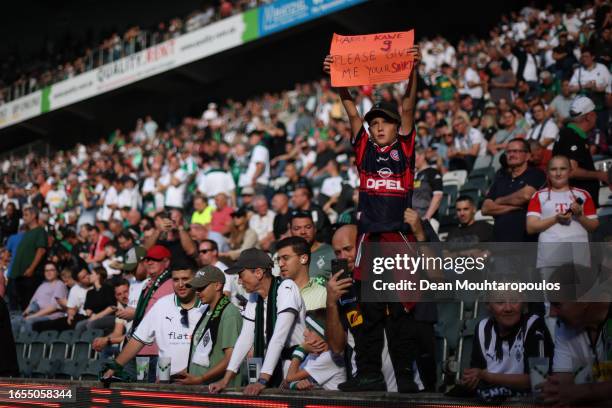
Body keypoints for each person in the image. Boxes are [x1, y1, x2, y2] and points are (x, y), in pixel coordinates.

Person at [323, 47, 423, 392]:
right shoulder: (364, 149)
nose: (378, 127)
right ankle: (369, 374)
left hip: (397, 239)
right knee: (367, 313)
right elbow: (351, 111)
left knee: (401, 313)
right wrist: (339, 83)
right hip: (369, 241)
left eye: (385, 123)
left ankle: (406, 377)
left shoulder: (404, 149)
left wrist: (413, 71)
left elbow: (409, 105)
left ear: (398, 127)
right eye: (375, 123)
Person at [209, 248, 306, 395]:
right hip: (272, 368)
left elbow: (278, 338)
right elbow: (245, 339)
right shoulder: (255, 297)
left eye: (241, 275)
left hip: (295, 369)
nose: (239, 281)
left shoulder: (287, 287)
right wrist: (226, 379)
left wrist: (262, 381)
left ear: (259, 273)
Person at [102, 263, 206, 381]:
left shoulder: (206, 306)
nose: (181, 284)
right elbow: (137, 339)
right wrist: (115, 367)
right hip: (166, 381)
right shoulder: (162, 304)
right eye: (176, 280)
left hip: (198, 381)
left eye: (185, 279)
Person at [460, 300, 553, 399]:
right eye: (500, 302)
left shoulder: (534, 325)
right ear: (488, 305)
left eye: (514, 301)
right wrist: (471, 379)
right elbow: (478, 373)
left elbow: (538, 380)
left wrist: (488, 377)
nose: (508, 308)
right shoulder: (482, 328)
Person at [527, 155, 599, 275]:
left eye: (563, 169)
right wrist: (555, 219)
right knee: (553, 293)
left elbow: (594, 226)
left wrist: (580, 215)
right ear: (548, 173)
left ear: (570, 172)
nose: (558, 173)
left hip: (579, 258)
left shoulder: (583, 194)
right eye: (554, 169)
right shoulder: (539, 196)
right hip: (550, 258)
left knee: (582, 294)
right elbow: (530, 227)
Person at [174, 266, 242, 386]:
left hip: (218, 392)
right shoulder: (206, 311)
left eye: (201, 288)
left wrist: (200, 379)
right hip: (201, 388)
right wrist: (176, 377)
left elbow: (231, 359)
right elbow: (201, 358)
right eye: (196, 288)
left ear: (217, 285)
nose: (197, 292)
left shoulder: (229, 314)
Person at [539, 301, 612, 405]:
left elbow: (570, 393)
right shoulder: (564, 327)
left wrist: (578, 392)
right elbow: (563, 387)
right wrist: (553, 391)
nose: (551, 313)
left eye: (557, 304)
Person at [482, 139, 547, 242]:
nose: (511, 154)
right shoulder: (500, 179)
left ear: (528, 156)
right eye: (508, 151)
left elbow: (525, 195)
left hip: (525, 242)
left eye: (516, 151)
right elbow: (486, 209)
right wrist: (515, 206)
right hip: (500, 243)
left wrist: (499, 201)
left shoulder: (536, 174)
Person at [552, 96, 609, 207]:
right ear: (589, 116)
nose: (597, 117)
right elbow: (572, 171)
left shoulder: (570, 133)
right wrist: (600, 175)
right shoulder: (572, 135)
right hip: (578, 206)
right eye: (595, 113)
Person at [283, 312, 347, 391]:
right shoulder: (313, 355)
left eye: (310, 330)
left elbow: (290, 377)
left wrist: (300, 349)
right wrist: (295, 384)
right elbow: (286, 382)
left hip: (337, 402)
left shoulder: (330, 357)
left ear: (324, 336)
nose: (304, 333)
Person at [11, 261, 67, 333]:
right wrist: (24, 314)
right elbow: (32, 303)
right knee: (14, 321)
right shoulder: (42, 285)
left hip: (51, 316)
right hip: (36, 314)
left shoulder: (59, 285)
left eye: (51, 270)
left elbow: (53, 307)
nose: (48, 272)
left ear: (57, 272)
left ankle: (26, 342)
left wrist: (34, 316)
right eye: (46, 270)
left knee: (28, 322)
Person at [9, 206, 48, 310]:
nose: (24, 217)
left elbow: (41, 250)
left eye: (26, 215)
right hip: (18, 275)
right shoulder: (27, 233)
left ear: (34, 215)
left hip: (29, 276)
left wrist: (31, 268)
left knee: (28, 305)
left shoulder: (39, 231)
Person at [275, 236, 327, 311]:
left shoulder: (323, 295)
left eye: (286, 258)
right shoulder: (275, 294)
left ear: (303, 259)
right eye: (278, 259)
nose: (280, 264)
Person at [32, 267, 92, 332]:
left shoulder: (94, 286)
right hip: (73, 317)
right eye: (84, 277)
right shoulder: (75, 289)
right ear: (78, 281)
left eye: (88, 274)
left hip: (83, 317)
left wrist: (66, 305)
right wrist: (70, 314)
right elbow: (72, 309)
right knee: (38, 325)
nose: (88, 277)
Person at [288, 211, 334, 280]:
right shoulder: (285, 255)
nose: (303, 232)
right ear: (290, 231)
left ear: (315, 229)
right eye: (297, 228)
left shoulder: (331, 252)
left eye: (308, 227)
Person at [92, 279, 131, 359]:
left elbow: (133, 337)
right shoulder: (120, 306)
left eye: (126, 292)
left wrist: (108, 340)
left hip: (137, 345)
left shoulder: (136, 305)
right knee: (104, 348)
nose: (123, 296)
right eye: (119, 294)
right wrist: (102, 340)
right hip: (127, 343)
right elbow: (117, 332)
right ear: (116, 297)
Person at [74, 266, 116, 335]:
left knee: (92, 324)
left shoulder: (108, 288)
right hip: (94, 317)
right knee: (79, 325)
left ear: (98, 275)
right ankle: (80, 344)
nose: (89, 276)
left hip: (108, 316)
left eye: (91, 274)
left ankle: (94, 344)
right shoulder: (90, 292)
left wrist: (97, 316)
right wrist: (89, 312)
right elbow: (88, 310)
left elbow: (112, 307)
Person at [413, 148, 444, 221]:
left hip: (427, 219)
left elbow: (438, 196)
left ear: (422, 156)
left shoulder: (432, 173)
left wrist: (427, 217)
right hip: (413, 220)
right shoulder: (413, 175)